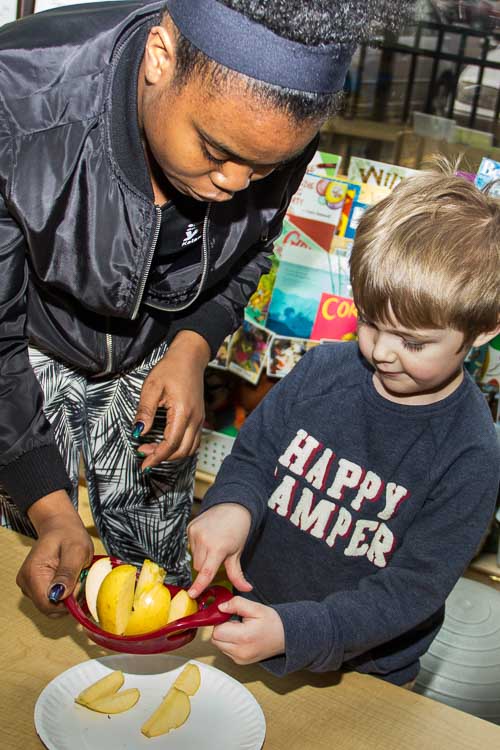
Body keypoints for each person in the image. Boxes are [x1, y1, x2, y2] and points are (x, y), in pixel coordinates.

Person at [0, 0, 413, 615]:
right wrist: (49, 503)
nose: (236, 184)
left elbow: (253, 249)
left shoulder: (272, 120)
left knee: (157, 584)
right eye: (216, 151)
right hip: (28, 360)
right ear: (161, 56)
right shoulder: (18, 108)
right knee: (35, 572)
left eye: (266, 166)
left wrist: (193, 346)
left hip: (161, 354)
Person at [187, 168, 500, 686]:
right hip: (250, 621)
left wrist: (300, 630)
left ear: (485, 328)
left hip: (364, 667)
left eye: (413, 342)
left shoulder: (471, 455)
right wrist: (232, 505)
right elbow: (255, 458)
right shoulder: (322, 370)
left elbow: (411, 591)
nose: (380, 351)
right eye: (370, 321)